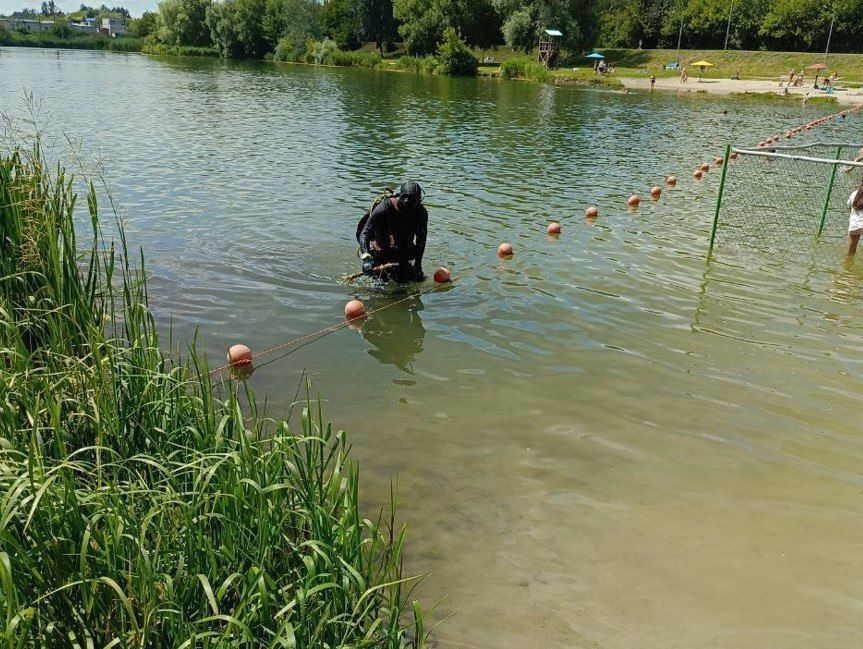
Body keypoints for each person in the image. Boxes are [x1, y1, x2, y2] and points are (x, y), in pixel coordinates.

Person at [356, 181, 428, 282]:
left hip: (402, 254)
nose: (410, 209)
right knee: (379, 287)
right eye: (407, 205)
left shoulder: (421, 212)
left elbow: (421, 240)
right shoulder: (385, 207)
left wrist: (418, 265)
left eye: (414, 204)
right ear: (401, 199)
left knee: (405, 283)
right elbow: (365, 234)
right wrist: (366, 259)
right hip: (381, 252)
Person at [845, 175, 863, 256]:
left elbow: (849, 207)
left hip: (855, 223)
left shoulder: (855, 193)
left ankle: (846, 267)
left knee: (850, 251)